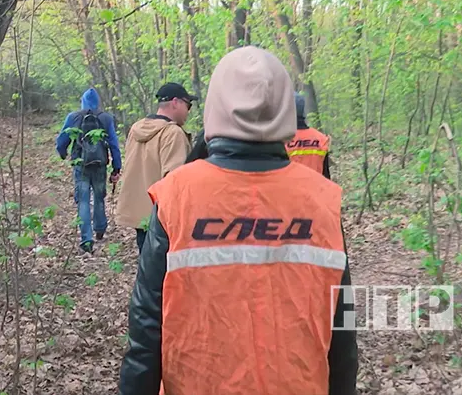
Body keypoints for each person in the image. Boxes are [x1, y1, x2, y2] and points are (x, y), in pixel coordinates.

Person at [118, 46, 358, 394]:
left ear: (216, 108)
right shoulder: (322, 201)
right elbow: (343, 331)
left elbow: (145, 329)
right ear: (284, 111)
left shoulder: (177, 196)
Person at [115, 82, 197, 252]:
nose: (189, 111)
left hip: (139, 215)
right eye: (188, 105)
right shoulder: (173, 133)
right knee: (165, 271)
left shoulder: (136, 129)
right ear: (176, 102)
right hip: (163, 218)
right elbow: (175, 180)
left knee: (147, 267)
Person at [55, 88, 122, 253]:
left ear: (82, 101)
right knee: (99, 197)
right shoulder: (106, 118)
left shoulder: (74, 117)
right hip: (100, 165)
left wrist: (63, 153)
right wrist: (116, 167)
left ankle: (86, 239)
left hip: (81, 165)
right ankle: (100, 228)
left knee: (83, 200)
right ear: (98, 102)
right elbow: (114, 144)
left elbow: (62, 140)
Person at [285, 93, 332, 179]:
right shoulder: (321, 139)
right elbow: (326, 176)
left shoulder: (281, 141)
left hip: (290, 191)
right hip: (316, 190)